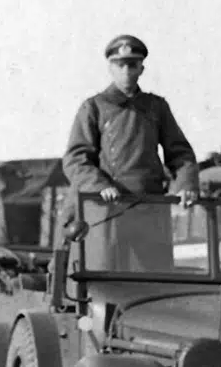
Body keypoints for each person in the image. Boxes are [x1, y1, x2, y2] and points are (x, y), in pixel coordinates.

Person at [61, 34, 200, 273]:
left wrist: (186, 184)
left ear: (141, 69)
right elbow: (75, 159)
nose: (126, 71)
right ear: (110, 68)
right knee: (102, 276)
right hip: (105, 210)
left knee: (155, 279)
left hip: (148, 208)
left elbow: (180, 153)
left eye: (132, 65)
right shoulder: (94, 107)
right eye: (120, 65)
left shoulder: (156, 107)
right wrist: (99, 185)